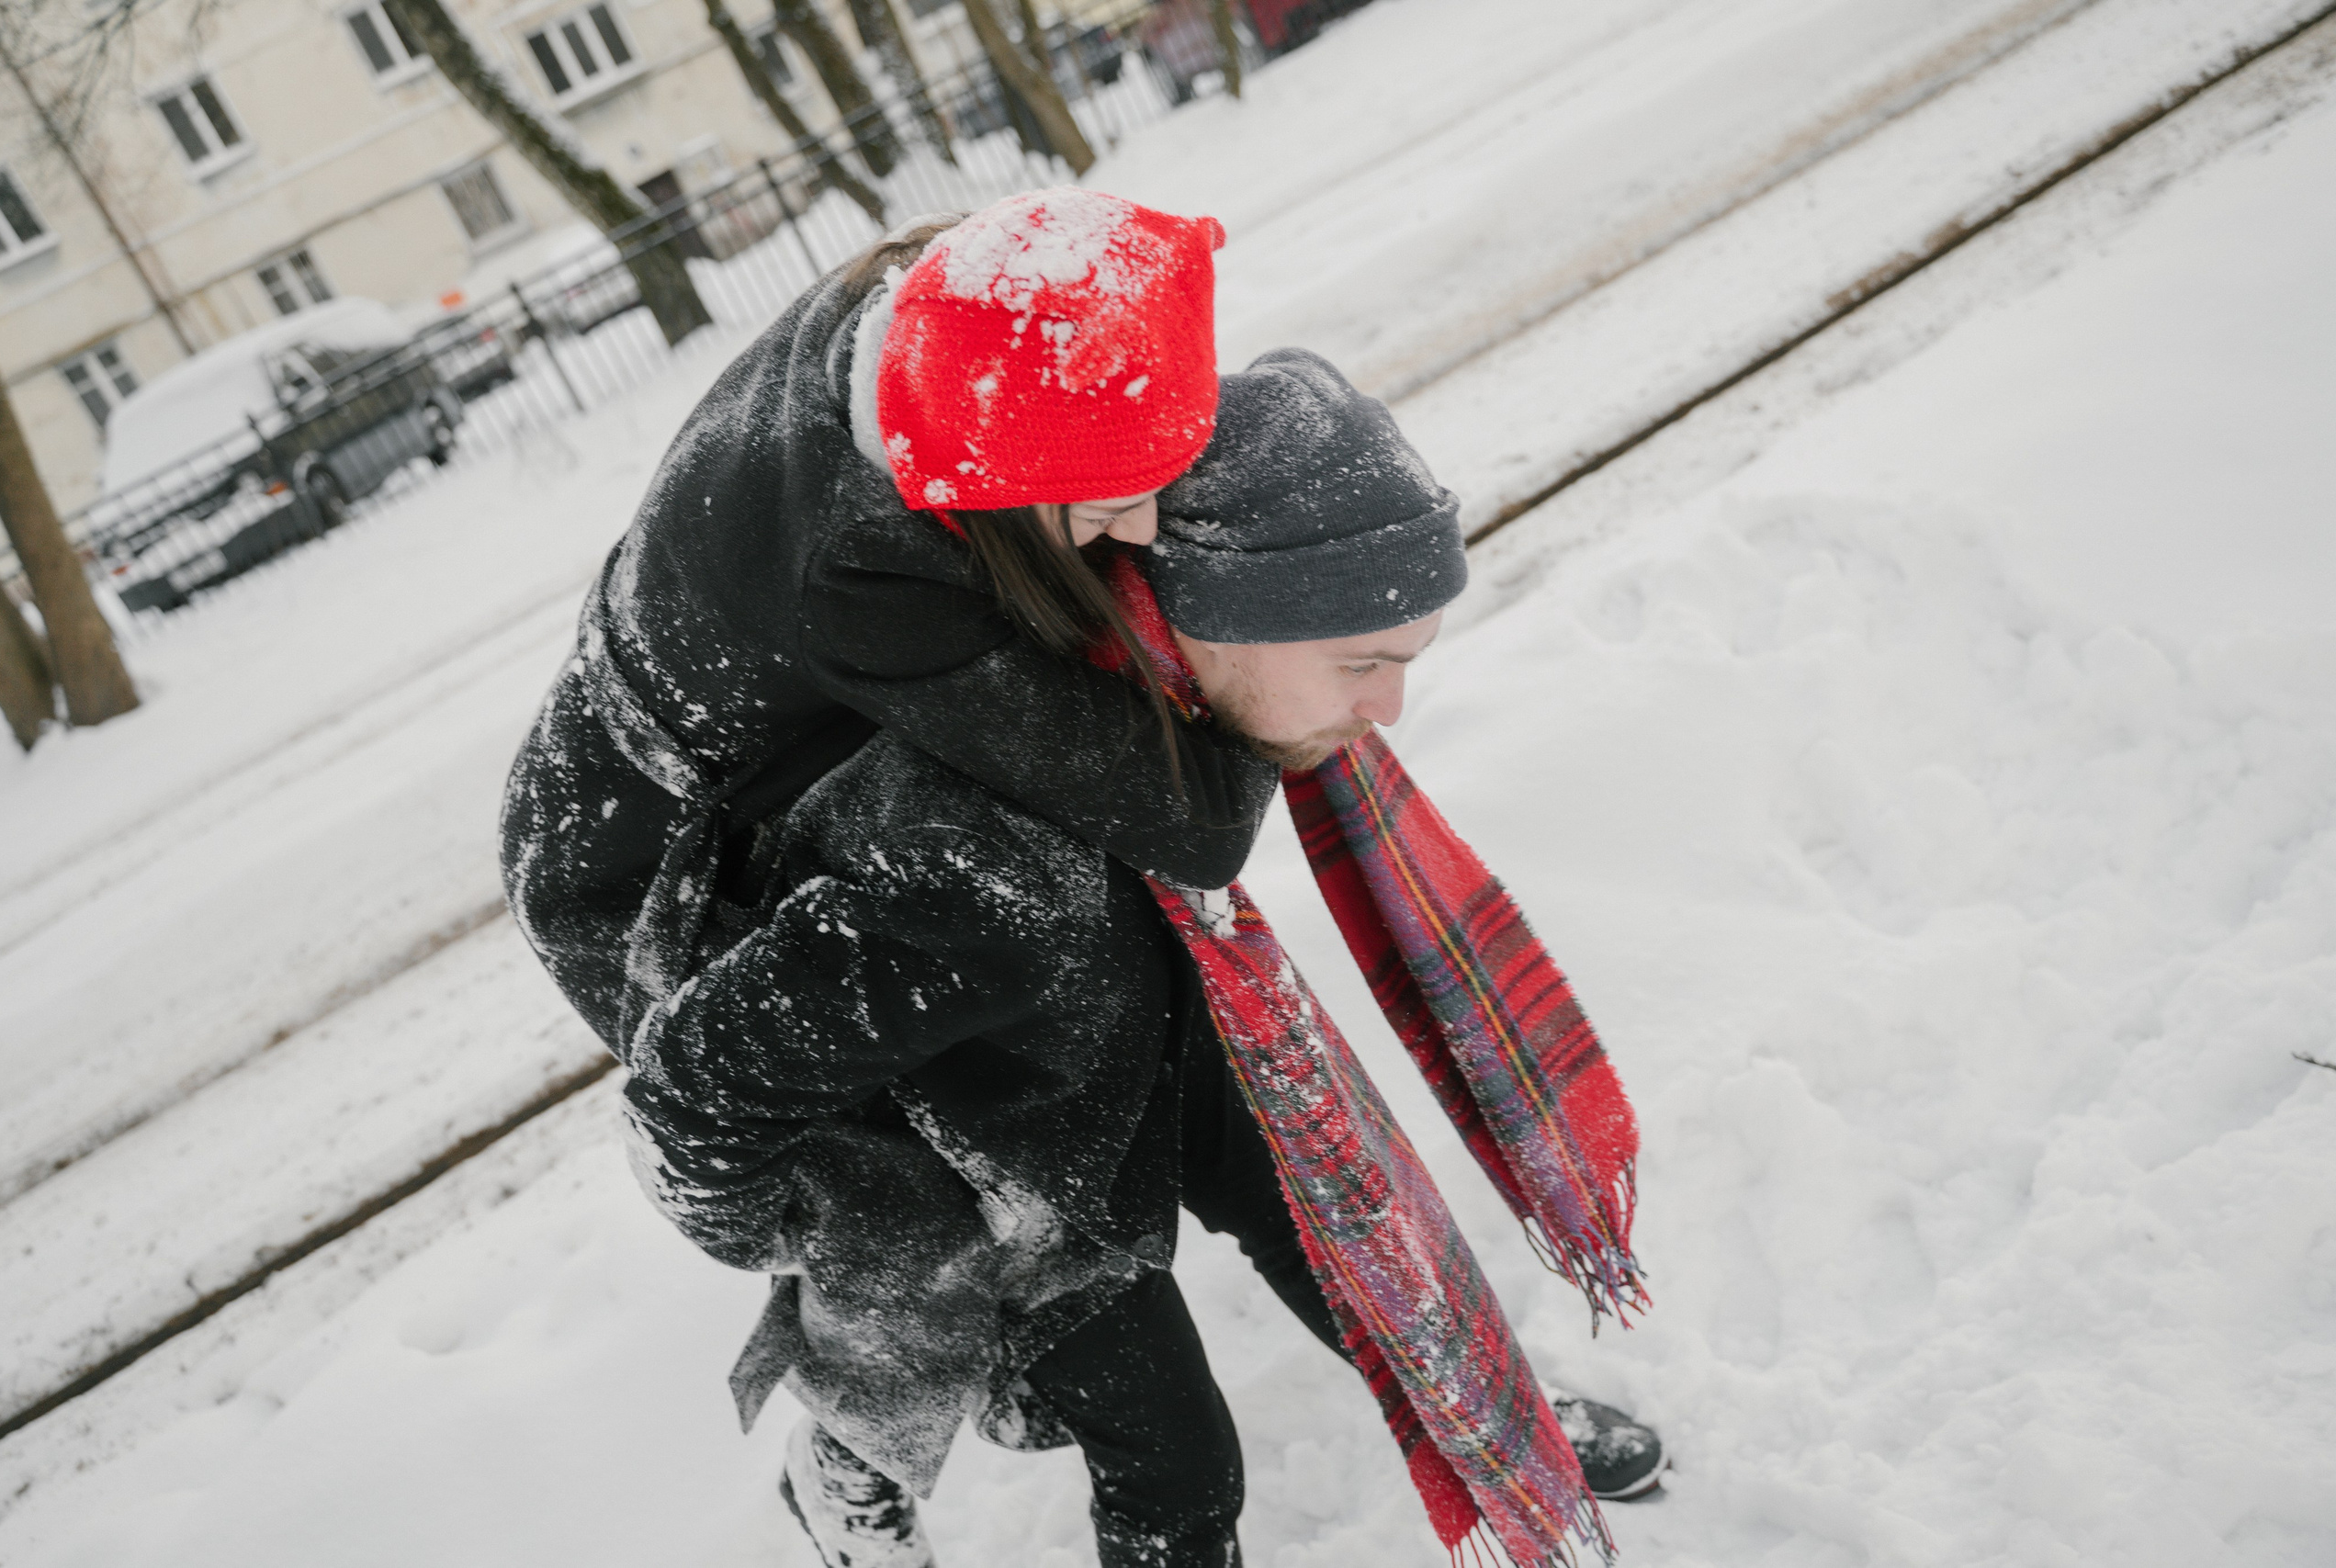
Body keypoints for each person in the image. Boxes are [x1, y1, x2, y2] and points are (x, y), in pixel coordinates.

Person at [615, 350, 1665, 1568]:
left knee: (1344, 1226)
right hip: (1005, 1173)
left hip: (1138, 1013)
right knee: (1177, 1466)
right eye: (1362, 662)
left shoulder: (1142, 688)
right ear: (1222, 618)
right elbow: (689, 1088)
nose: (1387, 713)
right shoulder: (971, 869)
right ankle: (845, 1467)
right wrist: (823, 1228)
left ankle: (1493, 1421)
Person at [502, 189, 1271, 1073]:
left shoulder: (950, 314)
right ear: (998, 480)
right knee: (987, 1122)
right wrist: (1273, 667)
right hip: (655, 867)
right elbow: (1191, 819)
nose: (1143, 531)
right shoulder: (862, 573)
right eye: (1110, 502)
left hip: (730, 721)